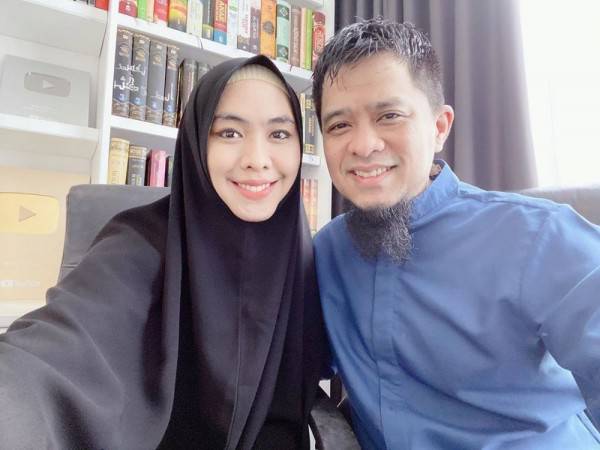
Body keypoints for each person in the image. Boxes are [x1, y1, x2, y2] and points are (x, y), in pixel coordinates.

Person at [0, 55, 328, 449]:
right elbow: (55, 353)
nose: (257, 160)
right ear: (196, 141)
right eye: (229, 133)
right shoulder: (137, 242)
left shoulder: (303, 256)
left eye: (279, 134)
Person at [312, 17, 600, 449]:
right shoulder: (327, 252)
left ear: (439, 127)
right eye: (339, 125)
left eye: (389, 116)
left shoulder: (538, 237)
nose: (364, 145)